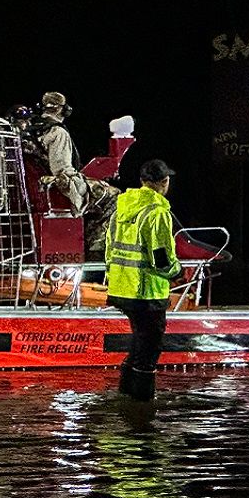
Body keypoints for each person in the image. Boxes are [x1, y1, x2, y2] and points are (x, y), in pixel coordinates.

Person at [106, 159, 183, 401]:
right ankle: (141, 406)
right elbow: (161, 258)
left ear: (141, 182)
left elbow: (110, 249)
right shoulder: (157, 212)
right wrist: (176, 272)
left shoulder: (122, 209)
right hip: (147, 292)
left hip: (122, 287)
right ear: (164, 183)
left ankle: (124, 397)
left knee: (139, 342)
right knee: (149, 348)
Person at [27, 91, 86, 215]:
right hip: (53, 194)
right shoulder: (58, 132)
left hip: (32, 190)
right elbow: (61, 169)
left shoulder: (30, 129)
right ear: (60, 109)